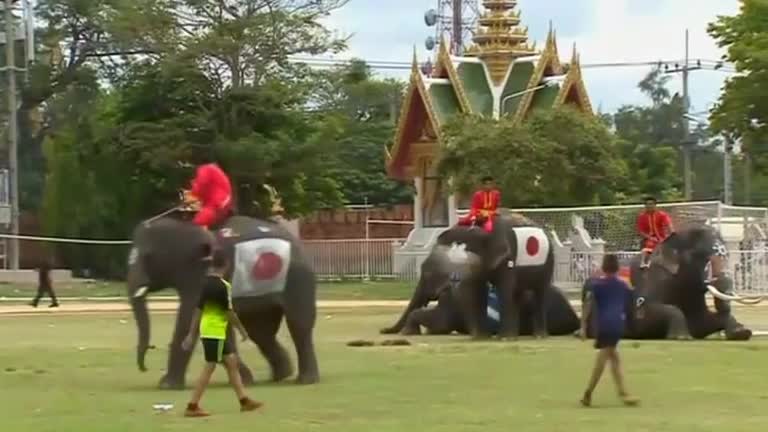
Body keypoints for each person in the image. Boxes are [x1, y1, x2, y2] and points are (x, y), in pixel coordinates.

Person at [181, 250, 262, 417]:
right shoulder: (223, 286)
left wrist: (191, 334)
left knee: (231, 362)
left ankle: (244, 401)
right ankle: (192, 405)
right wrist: (243, 331)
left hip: (209, 330)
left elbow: (198, 311)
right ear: (226, 265)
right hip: (215, 332)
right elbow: (229, 313)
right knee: (209, 367)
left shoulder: (206, 284)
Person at [580, 254, 638, 408]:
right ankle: (622, 393)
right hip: (618, 324)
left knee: (606, 358)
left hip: (604, 325)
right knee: (611, 358)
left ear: (603, 267)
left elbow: (588, 305)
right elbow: (632, 299)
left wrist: (583, 326)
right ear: (617, 267)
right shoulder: (623, 285)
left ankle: (589, 392)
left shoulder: (596, 285)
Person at [182, 162, 233, 230]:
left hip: (218, 201)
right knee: (207, 220)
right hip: (220, 201)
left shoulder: (205, 169)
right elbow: (204, 189)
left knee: (199, 221)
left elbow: (202, 184)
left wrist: (194, 191)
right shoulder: (212, 170)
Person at [636, 196, 674, 269]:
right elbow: (640, 231)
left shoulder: (662, 215)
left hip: (662, 238)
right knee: (649, 246)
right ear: (645, 206)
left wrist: (672, 232)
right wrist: (650, 238)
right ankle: (644, 263)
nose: (649, 206)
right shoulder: (642, 217)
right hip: (648, 238)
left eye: (651, 204)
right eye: (647, 204)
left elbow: (668, 224)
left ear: (655, 205)